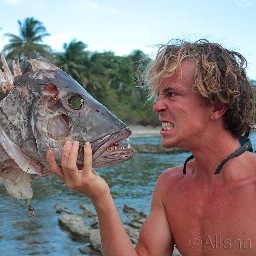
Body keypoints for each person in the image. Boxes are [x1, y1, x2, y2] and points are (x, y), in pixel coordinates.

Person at [46, 39, 256, 256]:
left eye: (171, 94)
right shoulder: (170, 185)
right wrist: (100, 197)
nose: (157, 106)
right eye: (159, 95)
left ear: (217, 106)